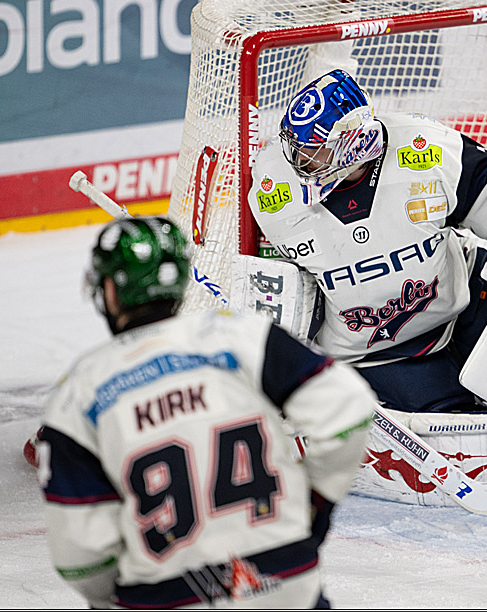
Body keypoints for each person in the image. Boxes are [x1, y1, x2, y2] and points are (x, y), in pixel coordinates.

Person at [34, 216, 376, 608]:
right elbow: (348, 410)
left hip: (163, 595)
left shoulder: (79, 391)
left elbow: (80, 555)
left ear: (109, 291)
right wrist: (313, 508)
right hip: (283, 577)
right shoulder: (242, 335)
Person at [248, 68, 487, 414]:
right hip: (376, 354)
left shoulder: (423, 146)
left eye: (316, 152)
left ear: (352, 144)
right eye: (297, 149)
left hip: (463, 308)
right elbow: (277, 289)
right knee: (454, 430)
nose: (301, 162)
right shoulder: (273, 188)